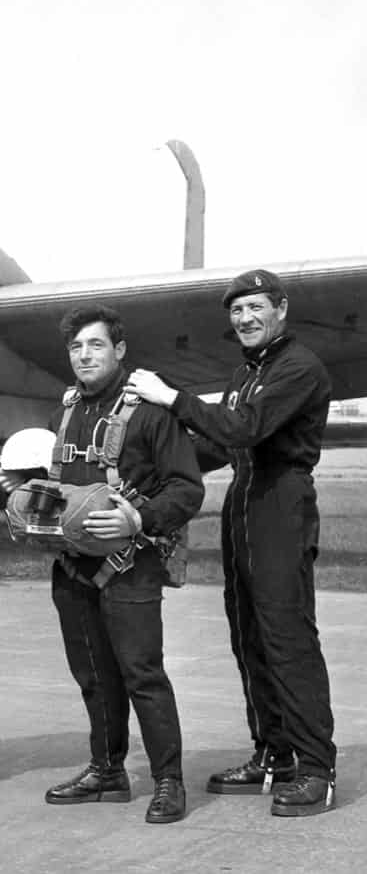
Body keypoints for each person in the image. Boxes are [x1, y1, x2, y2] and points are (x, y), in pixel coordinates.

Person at [126, 269, 337, 817]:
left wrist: (173, 398)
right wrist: (151, 450)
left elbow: (242, 428)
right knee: (250, 638)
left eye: (255, 307)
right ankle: (274, 754)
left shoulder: (298, 368)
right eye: (237, 310)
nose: (245, 318)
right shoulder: (247, 372)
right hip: (243, 502)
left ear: (281, 308)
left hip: (281, 504)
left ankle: (317, 770)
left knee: (288, 640)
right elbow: (221, 446)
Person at [0, 304, 203, 824]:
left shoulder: (151, 413)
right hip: (73, 569)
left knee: (142, 675)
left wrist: (139, 518)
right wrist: (19, 491)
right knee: (93, 675)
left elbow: (186, 489)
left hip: (130, 565)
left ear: (119, 350)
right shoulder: (63, 414)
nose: (84, 355)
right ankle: (108, 770)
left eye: (95, 344)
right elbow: (53, 488)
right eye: (76, 347)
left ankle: (169, 781)